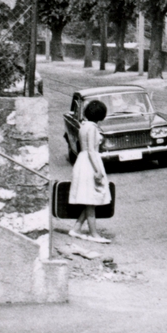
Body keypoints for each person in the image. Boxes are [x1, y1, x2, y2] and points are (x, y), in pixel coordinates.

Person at [69, 100, 111, 244]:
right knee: (92, 198)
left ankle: (76, 228)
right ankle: (94, 234)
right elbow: (92, 151)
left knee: (89, 199)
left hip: (82, 161)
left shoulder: (83, 126)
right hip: (90, 163)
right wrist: (98, 171)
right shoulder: (92, 128)